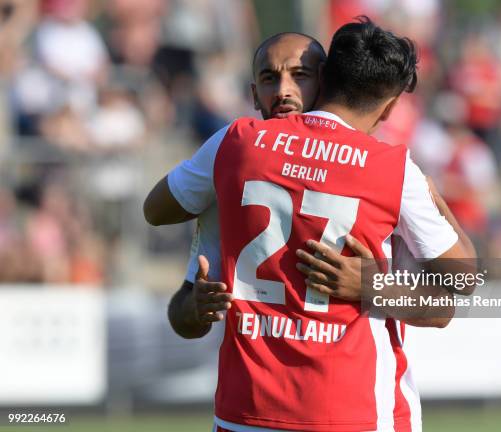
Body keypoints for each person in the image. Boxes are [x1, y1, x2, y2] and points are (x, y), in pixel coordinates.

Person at [145, 18, 475, 431]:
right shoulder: (389, 169)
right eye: (270, 77)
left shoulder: (232, 150)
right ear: (390, 107)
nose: (283, 90)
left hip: (245, 416)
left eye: (297, 75)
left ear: (324, 80)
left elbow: (155, 210)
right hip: (352, 414)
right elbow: (456, 292)